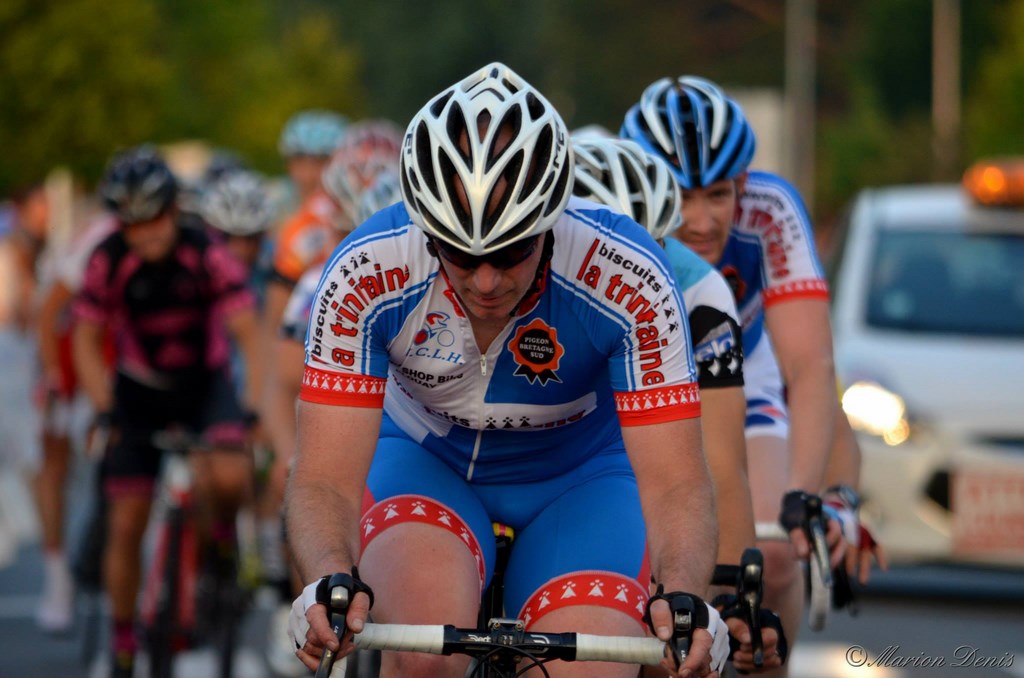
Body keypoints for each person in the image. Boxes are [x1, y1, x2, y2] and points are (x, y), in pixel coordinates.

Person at [285, 62, 729, 678]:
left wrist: (683, 593)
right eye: (459, 255)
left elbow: (678, 481)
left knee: (590, 671)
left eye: (513, 251)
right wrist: (328, 577)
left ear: (550, 222)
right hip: (422, 460)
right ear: (425, 229)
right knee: (423, 656)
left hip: (583, 479)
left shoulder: (626, 274)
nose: (487, 280)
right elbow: (324, 478)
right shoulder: (366, 267)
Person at [621, 76, 879, 676]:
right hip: (643, 371)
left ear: (742, 182)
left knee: (773, 555)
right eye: (680, 197)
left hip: (747, 364)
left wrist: (805, 496)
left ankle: (765, 661)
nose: (701, 221)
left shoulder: (771, 208)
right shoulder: (617, 202)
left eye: (718, 195)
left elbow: (810, 368)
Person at [572, 137, 785, 673]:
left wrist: (732, 594)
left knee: (667, 637)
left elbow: (719, 461)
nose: (630, 274)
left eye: (650, 250)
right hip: (564, 462)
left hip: (641, 464)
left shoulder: (701, 291)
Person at [71, 146, 262, 678]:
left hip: (204, 386)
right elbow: (85, 339)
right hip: (138, 392)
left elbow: (249, 331)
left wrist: (250, 406)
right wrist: (104, 408)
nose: (146, 234)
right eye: (132, 224)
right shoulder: (108, 258)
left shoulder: (205, 251)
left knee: (230, 474)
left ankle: (219, 545)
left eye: (154, 219)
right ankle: (124, 639)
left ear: (175, 210)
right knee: (126, 521)